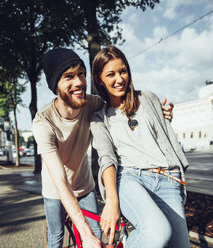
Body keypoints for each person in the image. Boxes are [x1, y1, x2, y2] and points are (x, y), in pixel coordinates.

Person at [32, 47, 174, 248]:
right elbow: (61, 182)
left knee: (98, 234)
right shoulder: (43, 123)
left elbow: (123, 105)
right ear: (55, 86)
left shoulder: (93, 104)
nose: (79, 82)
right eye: (69, 77)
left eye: (81, 74)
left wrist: (158, 111)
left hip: (85, 185)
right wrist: (85, 234)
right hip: (56, 190)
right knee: (56, 238)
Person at [90, 45, 190, 248]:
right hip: (129, 178)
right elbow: (106, 158)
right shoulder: (99, 117)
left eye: (123, 71)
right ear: (100, 79)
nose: (119, 79)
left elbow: (161, 135)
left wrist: (166, 116)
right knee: (156, 232)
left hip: (167, 179)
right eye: (111, 74)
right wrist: (111, 200)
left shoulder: (148, 99)